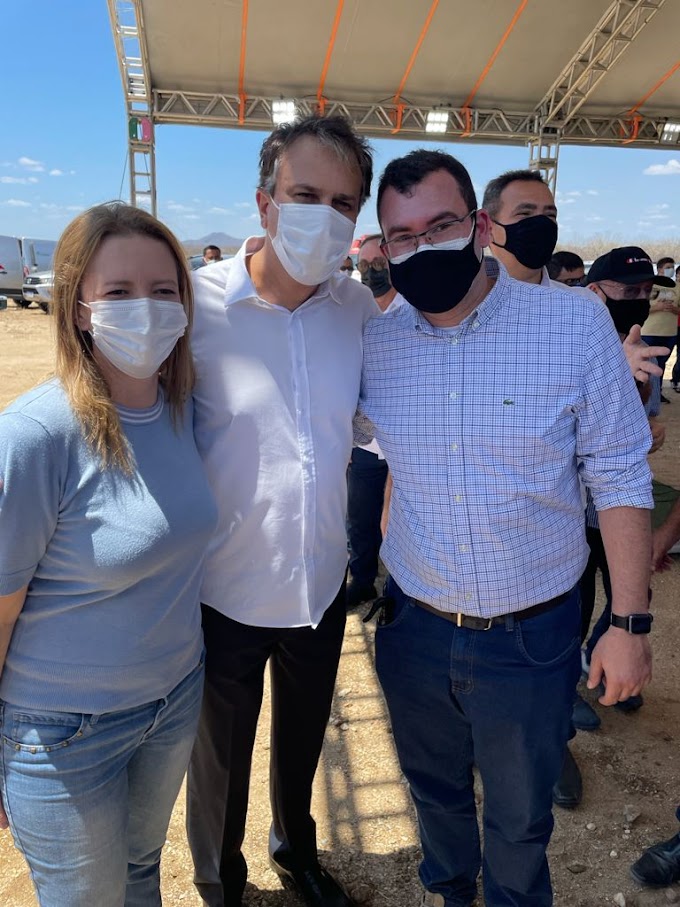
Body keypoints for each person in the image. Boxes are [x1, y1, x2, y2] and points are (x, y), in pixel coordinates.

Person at [357, 149, 654, 907]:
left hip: (530, 635)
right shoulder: (375, 342)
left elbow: (619, 470)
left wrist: (627, 620)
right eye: (402, 235)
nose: (422, 246)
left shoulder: (572, 322)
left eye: (442, 224)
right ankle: (453, 894)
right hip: (415, 627)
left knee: (520, 820)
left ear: (481, 225)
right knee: (434, 796)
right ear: (383, 247)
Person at [0, 202, 217, 906]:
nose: (146, 309)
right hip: (65, 732)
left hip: (174, 697)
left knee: (142, 870)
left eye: (163, 290)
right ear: (79, 308)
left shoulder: (185, 408)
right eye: (118, 292)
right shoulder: (37, 435)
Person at [187, 115, 377, 907]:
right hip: (221, 589)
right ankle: (218, 878)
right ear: (264, 202)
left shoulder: (359, 313)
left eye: (343, 202)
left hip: (318, 583)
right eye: (306, 194)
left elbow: (383, 425)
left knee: (301, 739)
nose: (324, 216)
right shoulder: (191, 310)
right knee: (220, 756)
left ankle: (295, 848)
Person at [578, 248, 673, 711]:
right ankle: (568, 684)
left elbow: (639, 421)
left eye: (646, 292)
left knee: (631, 593)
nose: (639, 301)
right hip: (575, 507)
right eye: (628, 291)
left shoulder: (645, 349)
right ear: (595, 291)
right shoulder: (567, 344)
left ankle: (605, 663)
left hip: (621, 504)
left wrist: (643, 431)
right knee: (572, 603)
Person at [345, 235, 405, 609]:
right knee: (360, 519)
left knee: (404, 522)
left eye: (378, 263)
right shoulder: (354, 313)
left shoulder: (416, 310)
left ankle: (401, 588)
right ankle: (363, 579)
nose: (370, 271)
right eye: (363, 265)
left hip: (405, 443)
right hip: (365, 442)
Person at [640, 256, 678, 403]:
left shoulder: (676, 287)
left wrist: (674, 309)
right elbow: (640, 307)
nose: (671, 270)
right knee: (647, 365)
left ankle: (657, 393)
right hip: (649, 331)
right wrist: (657, 307)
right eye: (668, 267)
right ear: (660, 269)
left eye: (672, 267)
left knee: (661, 365)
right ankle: (643, 395)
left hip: (669, 332)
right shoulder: (649, 286)